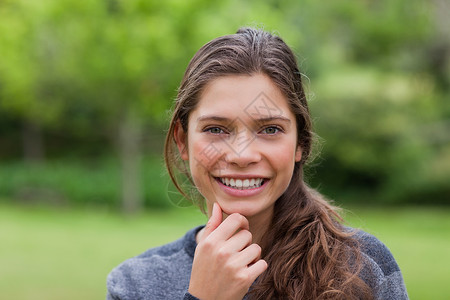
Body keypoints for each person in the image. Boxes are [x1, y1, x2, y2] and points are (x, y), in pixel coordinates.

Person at [106, 27, 408, 300]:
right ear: (183, 142)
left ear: (300, 143)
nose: (241, 155)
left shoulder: (362, 268)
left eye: (269, 130)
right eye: (216, 129)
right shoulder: (134, 285)